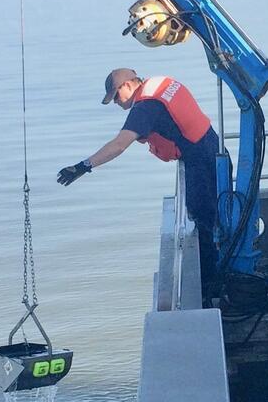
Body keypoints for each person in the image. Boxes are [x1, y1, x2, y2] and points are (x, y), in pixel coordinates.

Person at [57, 68, 220, 287]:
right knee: (218, 214)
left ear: (127, 85)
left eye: (115, 96)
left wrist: (82, 166)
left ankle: (213, 286)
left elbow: (119, 145)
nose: (116, 103)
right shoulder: (160, 84)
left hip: (199, 161)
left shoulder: (144, 109)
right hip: (212, 146)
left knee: (203, 223)